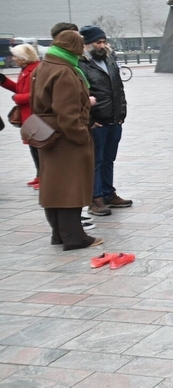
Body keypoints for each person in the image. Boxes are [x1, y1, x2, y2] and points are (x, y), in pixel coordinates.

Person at [30, 29, 102, 250]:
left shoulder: (45, 66)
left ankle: (59, 234)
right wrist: (81, 136)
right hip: (66, 138)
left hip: (47, 134)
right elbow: (67, 113)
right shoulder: (65, 72)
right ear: (74, 47)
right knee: (71, 187)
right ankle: (74, 237)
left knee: (54, 187)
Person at [78, 26, 132, 217]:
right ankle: (96, 198)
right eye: (97, 42)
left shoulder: (109, 59)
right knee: (96, 160)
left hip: (114, 119)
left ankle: (109, 193)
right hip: (97, 121)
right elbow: (81, 95)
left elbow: (118, 88)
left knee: (109, 158)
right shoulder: (81, 63)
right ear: (86, 44)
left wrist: (122, 112)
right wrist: (90, 119)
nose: (102, 45)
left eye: (103, 42)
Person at [2, 44, 42, 185]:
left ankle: (44, 177)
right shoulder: (26, 70)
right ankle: (39, 175)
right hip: (28, 116)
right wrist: (4, 81)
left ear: (24, 58)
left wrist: (17, 99)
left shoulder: (36, 70)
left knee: (39, 147)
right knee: (33, 146)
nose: (13, 59)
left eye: (16, 56)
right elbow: (19, 89)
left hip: (35, 115)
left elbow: (36, 95)